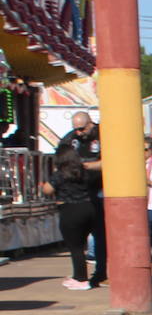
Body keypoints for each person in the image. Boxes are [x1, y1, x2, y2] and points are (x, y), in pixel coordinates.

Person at [57, 111, 105, 288]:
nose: (78, 132)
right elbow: (61, 159)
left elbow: (111, 161)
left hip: (102, 190)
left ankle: (101, 273)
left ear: (90, 123)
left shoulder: (103, 134)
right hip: (80, 195)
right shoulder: (70, 139)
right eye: (75, 129)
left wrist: (83, 166)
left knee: (101, 236)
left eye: (81, 128)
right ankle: (81, 275)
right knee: (77, 240)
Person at [41, 145, 98, 290]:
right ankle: (95, 274)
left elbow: (48, 189)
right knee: (87, 243)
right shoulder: (84, 172)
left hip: (70, 210)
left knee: (75, 247)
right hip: (89, 208)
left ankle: (81, 278)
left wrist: (44, 184)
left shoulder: (60, 174)